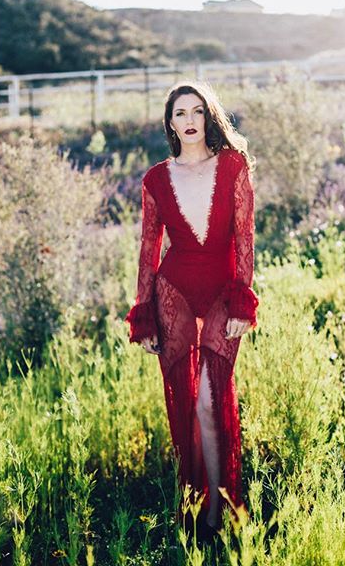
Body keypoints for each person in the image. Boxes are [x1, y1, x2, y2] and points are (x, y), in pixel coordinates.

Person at [124, 80, 259, 539]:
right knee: (188, 403)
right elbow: (148, 250)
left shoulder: (234, 166)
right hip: (173, 291)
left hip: (223, 291)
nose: (189, 121)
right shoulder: (156, 179)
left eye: (197, 111)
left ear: (209, 116)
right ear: (170, 122)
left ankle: (222, 509)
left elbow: (244, 238)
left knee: (210, 396)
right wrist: (143, 313)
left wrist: (244, 297)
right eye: (180, 113)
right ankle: (198, 511)